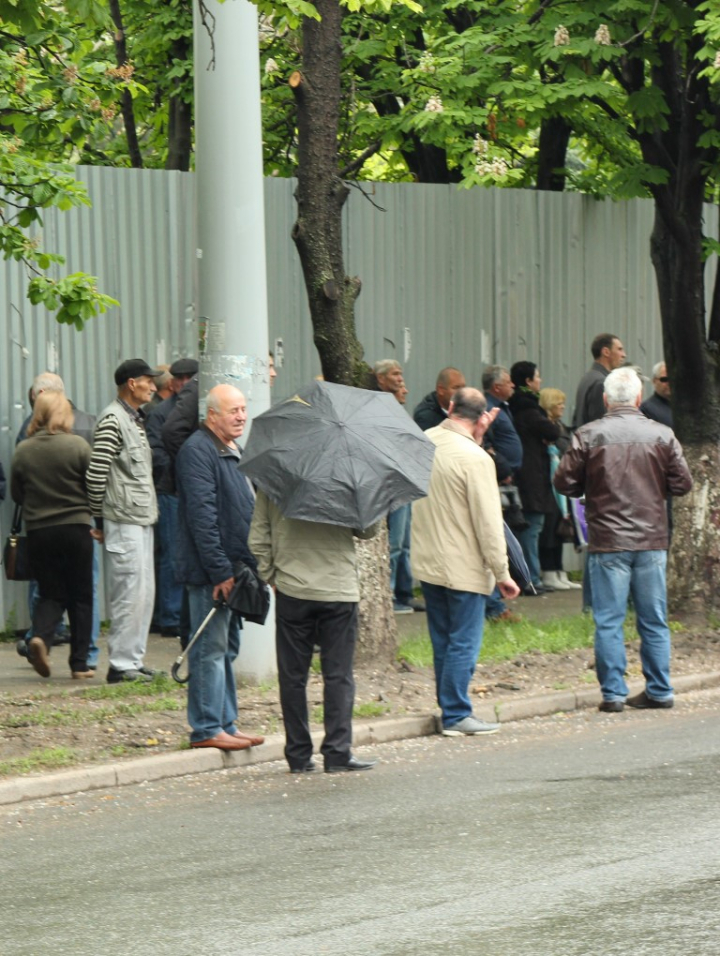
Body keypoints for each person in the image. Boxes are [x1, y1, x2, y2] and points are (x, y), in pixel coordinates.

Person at [554, 367, 692, 712]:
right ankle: (660, 690)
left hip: (608, 539)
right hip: (651, 538)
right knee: (654, 619)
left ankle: (613, 694)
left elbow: (564, 483)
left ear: (605, 399)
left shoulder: (588, 435)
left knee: (609, 620)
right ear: (638, 398)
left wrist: (591, 487)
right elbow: (683, 484)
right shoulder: (662, 434)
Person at [411, 387, 520, 736]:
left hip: (428, 559)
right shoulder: (476, 459)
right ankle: (458, 713)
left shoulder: (424, 441)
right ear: (482, 417)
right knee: (463, 641)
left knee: (442, 639)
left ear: (451, 407)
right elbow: (489, 524)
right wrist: (503, 572)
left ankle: (449, 708)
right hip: (464, 565)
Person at [249, 491, 378, 773]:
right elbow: (367, 531)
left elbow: (258, 538)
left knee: (293, 676)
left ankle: (297, 754)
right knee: (339, 676)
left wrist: (271, 575)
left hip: (293, 589)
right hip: (338, 588)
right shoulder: (347, 481)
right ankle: (337, 752)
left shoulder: (274, 481)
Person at [175, 384, 264, 751]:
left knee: (226, 647)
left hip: (235, 568)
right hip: (211, 573)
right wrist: (220, 572)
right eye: (233, 411)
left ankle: (226, 721)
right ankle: (207, 728)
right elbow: (203, 518)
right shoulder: (198, 451)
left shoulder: (231, 447)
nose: (241, 416)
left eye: (243, 409)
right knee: (208, 649)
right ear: (212, 415)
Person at [15, 372, 100, 669]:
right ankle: (79, 665)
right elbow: (95, 486)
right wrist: (96, 520)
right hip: (77, 529)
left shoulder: (23, 450)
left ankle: (40, 637)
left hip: (39, 531)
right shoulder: (77, 446)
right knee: (81, 595)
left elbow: (17, 493)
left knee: (50, 592)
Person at [86, 359, 162, 683]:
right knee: (128, 593)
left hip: (140, 518)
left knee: (144, 593)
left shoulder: (134, 420)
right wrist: (100, 521)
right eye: (149, 381)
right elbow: (95, 475)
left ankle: (133, 659)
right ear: (131, 383)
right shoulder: (113, 420)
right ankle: (120, 665)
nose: (155, 386)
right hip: (123, 520)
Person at [145, 358, 199, 637]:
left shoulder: (187, 408)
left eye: (188, 379)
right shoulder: (161, 413)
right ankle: (170, 616)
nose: (184, 384)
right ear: (175, 382)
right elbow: (156, 453)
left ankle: (172, 614)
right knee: (171, 554)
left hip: (182, 488)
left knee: (179, 553)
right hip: (170, 490)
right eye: (180, 379)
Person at [508, 361, 561, 595]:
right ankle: (531, 578)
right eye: (537, 377)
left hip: (525, 474)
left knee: (528, 528)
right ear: (528, 382)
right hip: (532, 477)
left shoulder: (514, 407)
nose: (540, 381)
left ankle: (529, 576)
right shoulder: (529, 410)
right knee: (532, 528)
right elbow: (553, 432)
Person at [537, 388, 580, 591]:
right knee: (550, 531)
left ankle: (560, 571)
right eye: (558, 404)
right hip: (549, 484)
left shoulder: (560, 426)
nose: (563, 407)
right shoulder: (547, 428)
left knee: (561, 528)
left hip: (562, 484)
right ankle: (549, 571)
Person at [572, 333, 627, 429]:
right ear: (606, 352)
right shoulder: (601, 383)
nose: (624, 355)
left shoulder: (588, 377)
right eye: (619, 349)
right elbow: (600, 425)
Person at [413, 367, 466, 431]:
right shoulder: (426, 417)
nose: (462, 392)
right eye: (456, 388)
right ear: (441, 390)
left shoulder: (467, 410)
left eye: (463, 387)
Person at [640, 362, 672, 428]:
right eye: (664, 379)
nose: (669, 383)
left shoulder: (684, 406)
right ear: (654, 381)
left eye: (673, 379)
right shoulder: (646, 409)